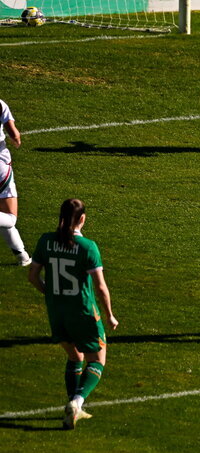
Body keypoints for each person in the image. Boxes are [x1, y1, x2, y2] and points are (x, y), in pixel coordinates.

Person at [27, 199, 118, 430]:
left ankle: (72, 407)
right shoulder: (88, 247)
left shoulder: (46, 241)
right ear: (83, 219)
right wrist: (109, 315)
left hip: (57, 312)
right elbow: (100, 287)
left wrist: (51, 294)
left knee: (74, 357)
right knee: (97, 360)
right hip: (83, 312)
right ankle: (77, 402)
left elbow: (33, 277)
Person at [0, 99, 32, 266]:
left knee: (3, 215)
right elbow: (14, 134)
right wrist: (17, 140)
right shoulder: (0, 104)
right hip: (0, 164)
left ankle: (22, 255)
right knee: (10, 218)